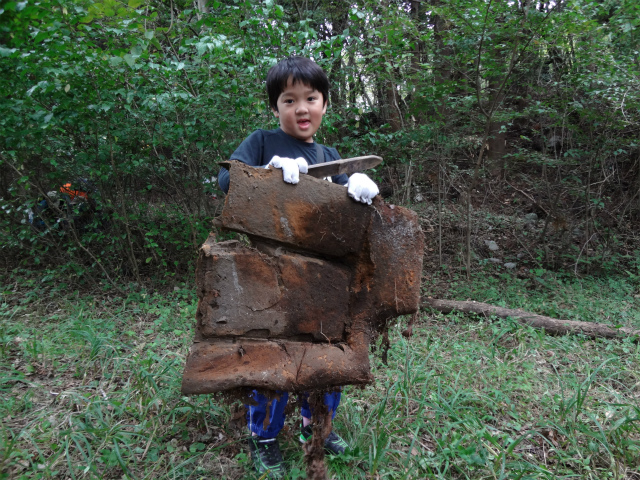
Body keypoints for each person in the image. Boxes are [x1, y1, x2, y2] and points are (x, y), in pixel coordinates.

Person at [218, 56, 378, 478]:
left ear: (325, 104)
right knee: (272, 359)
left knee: (327, 358)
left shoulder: (330, 155)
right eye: (289, 100)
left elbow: (348, 213)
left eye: (311, 98)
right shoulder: (262, 142)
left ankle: (317, 428)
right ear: (276, 107)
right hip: (270, 281)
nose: (301, 108)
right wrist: (265, 174)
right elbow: (226, 181)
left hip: (324, 284)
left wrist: (357, 188)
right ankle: (264, 437)